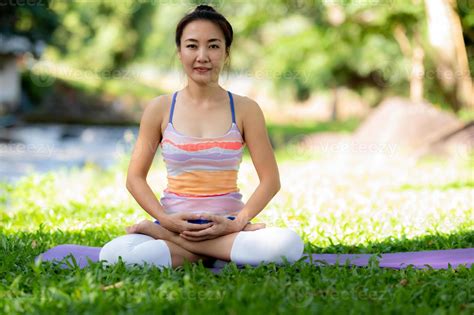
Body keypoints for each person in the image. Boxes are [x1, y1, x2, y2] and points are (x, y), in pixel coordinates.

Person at [99, 4, 304, 269]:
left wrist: (237, 223)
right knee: (112, 255)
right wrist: (166, 220)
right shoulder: (159, 109)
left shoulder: (246, 109)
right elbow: (134, 178)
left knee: (288, 244)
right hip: (175, 222)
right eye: (192, 46)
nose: (203, 56)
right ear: (179, 51)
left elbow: (271, 180)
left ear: (226, 53)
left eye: (214, 46)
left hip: (227, 227)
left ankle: (167, 239)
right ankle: (211, 251)